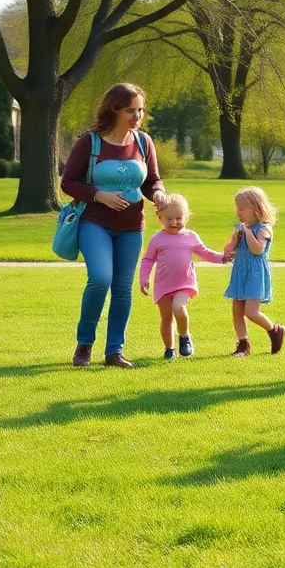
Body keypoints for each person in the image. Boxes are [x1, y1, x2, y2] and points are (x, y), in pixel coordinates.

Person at [62, 83, 168, 368]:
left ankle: (114, 352)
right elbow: (68, 182)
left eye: (140, 110)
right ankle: (84, 345)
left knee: (122, 288)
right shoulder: (90, 141)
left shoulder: (144, 142)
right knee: (100, 278)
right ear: (114, 109)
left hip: (132, 227)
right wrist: (99, 195)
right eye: (130, 110)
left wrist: (158, 193)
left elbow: (152, 181)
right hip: (94, 222)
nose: (137, 116)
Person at [138, 193, 227, 359]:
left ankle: (184, 336)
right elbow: (148, 260)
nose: (174, 223)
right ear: (159, 219)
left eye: (179, 218)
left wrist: (222, 257)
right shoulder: (157, 239)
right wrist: (144, 278)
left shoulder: (190, 236)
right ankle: (169, 349)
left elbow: (205, 253)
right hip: (163, 285)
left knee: (178, 308)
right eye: (169, 219)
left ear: (187, 217)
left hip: (184, 283)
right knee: (166, 318)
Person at [224, 187, 285, 358]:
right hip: (240, 272)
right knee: (237, 310)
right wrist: (229, 249)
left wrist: (248, 232)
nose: (238, 212)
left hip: (256, 274)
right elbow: (230, 246)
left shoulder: (263, 228)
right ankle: (243, 344)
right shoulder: (240, 228)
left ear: (256, 208)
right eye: (237, 208)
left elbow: (257, 249)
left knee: (251, 311)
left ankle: (275, 329)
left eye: (242, 209)